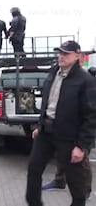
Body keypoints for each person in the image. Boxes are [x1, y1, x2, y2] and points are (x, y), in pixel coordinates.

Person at [26, 40, 96, 206]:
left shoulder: (85, 81)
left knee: (75, 182)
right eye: (60, 53)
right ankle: (34, 202)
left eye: (66, 53)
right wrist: (40, 124)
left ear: (77, 55)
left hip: (69, 137)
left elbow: (92, 116)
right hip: (46, 132)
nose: (61, 56)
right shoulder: (53, 73)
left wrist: (82, 146)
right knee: (34, 169)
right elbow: (47, 102)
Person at [41, 52, 94, 200]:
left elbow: (90, 113)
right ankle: (59, 181)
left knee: (81, 159)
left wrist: (83, 142)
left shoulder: (85, 79)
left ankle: (85, 190)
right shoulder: (62, 75)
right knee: (61, 153)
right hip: (63, 126)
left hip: (79, 127)